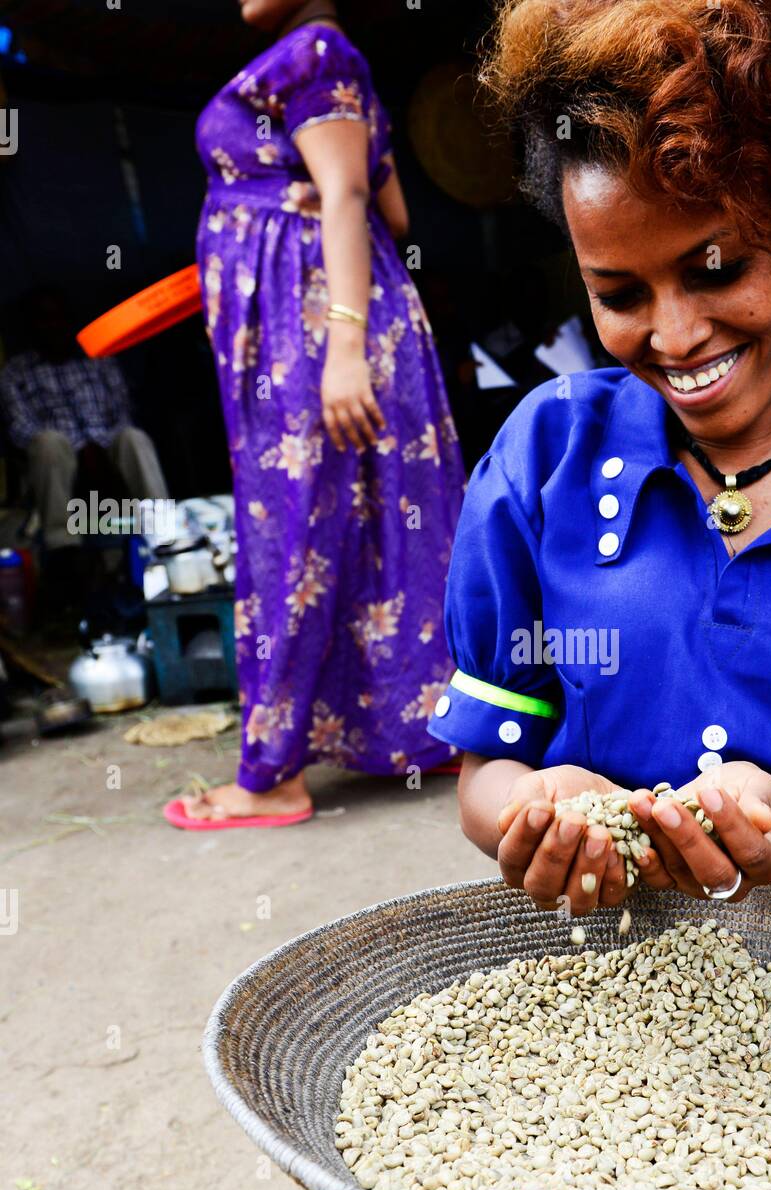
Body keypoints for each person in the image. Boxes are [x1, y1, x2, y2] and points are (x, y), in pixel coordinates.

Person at [218, 0, 771, 1190]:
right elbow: (486, 778)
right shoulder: (544, 461)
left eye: (714, 268)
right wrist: (537, 804)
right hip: (581, 983)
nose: (670, 334)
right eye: (619, 292)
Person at [167, 0, 465, 831]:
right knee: (369, 523)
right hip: (325, 329)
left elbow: (347, 195)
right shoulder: (331, 63)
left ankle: (271, 777)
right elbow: (393, 216)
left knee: (293, 530)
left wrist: (342, 348)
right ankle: (430, 727)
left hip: (320, 336)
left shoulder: (314, 53)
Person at [0, 286, 170, 579]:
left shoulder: (99, 359)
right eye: (43, 318)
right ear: (31, 326)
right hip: (56, 465)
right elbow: (20, 428)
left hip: (107, 453)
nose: (51, 325)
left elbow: (122, 411)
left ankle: (164, 532)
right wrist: (81, 448)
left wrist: (97, 447)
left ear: (69, 320)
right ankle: (64, 546)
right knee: (48, 443)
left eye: (58, 317)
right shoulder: (16, 372)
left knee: (134, 437)